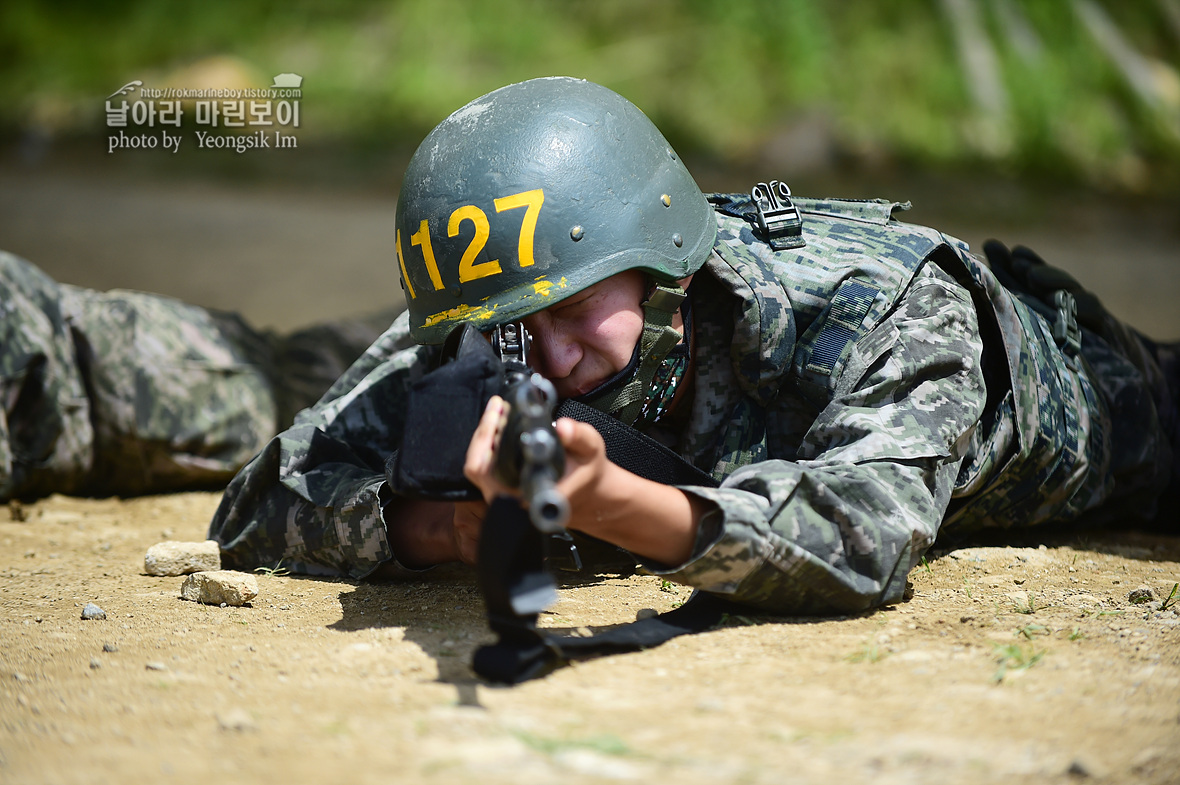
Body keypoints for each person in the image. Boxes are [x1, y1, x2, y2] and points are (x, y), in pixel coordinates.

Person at [205, 77, 1177, 615]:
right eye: (515, 325)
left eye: (576, 305)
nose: (547, 353)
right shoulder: (495, 303)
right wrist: (453, 527)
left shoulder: (876, 304)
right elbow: (255, 507)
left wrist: (611, 505)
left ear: (662, 255)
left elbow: (861, 536)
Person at [0, 250, 394, 501]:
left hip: (96, 365)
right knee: (299, 387)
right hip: (87, 384)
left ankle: (445, 316)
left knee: (298, 385)